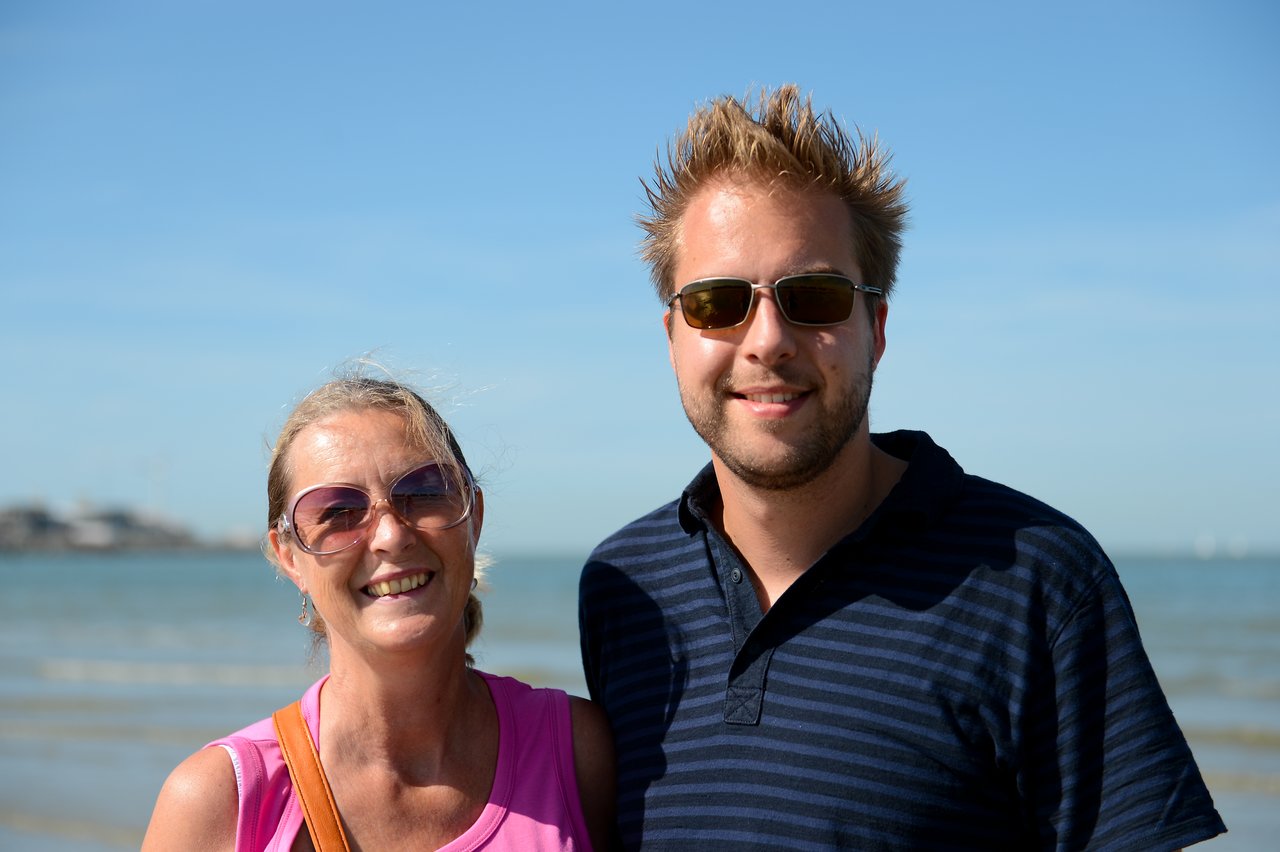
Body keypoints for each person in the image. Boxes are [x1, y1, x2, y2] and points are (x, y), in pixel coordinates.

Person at [578, 85, 1225, 850]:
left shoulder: (1041, 580)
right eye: (718, 303)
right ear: (673, 337)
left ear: (874, 328)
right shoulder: (625, 590)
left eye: (813, 296)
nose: (767, 341)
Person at [145, 374, 615, 850]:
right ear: (290, 558)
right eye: (337, 511)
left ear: (473, 517)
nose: (391, 535)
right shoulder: (223, 801)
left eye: (425, 491)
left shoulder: (575, 752)